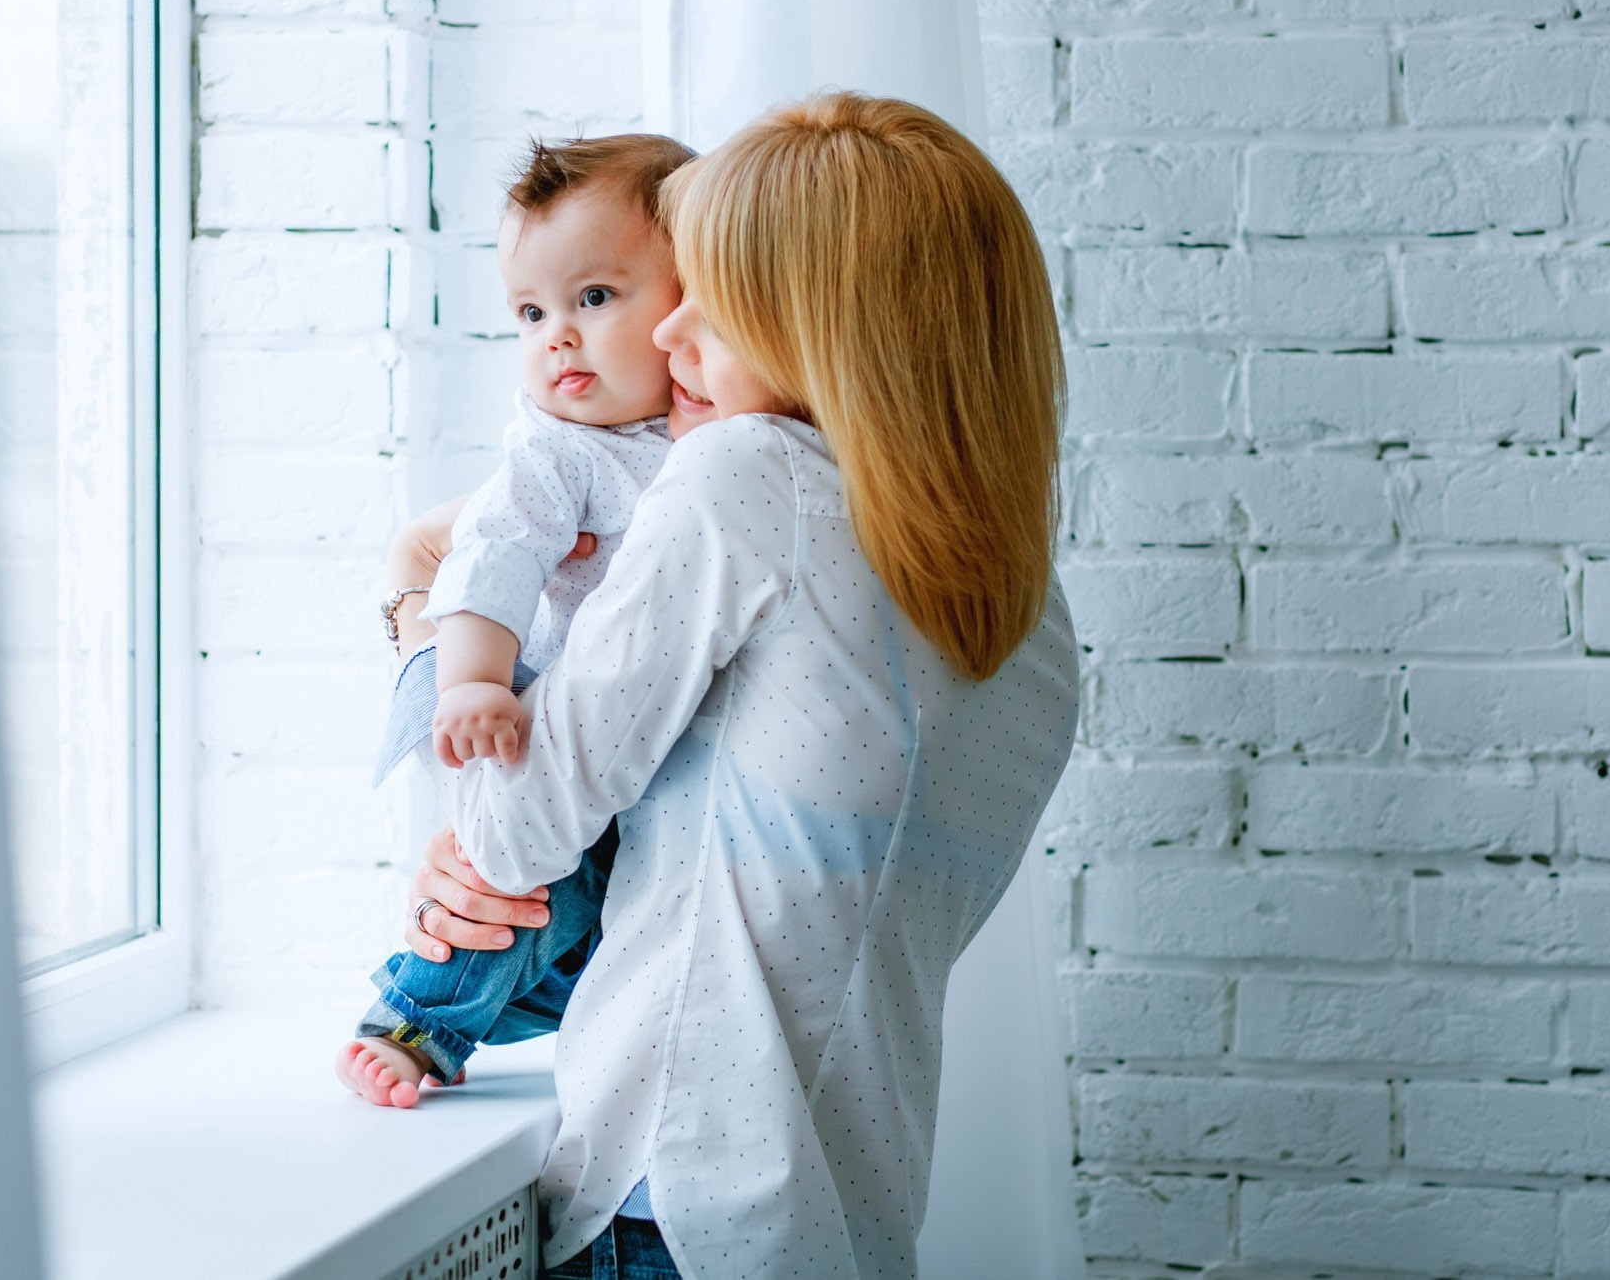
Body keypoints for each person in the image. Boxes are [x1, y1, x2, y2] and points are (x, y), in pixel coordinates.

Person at [400, 92, 1077, 1278]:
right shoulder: (1025, 616)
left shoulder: (742, 476)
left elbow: (510, 830)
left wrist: (417, 595)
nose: (667, 332)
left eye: (716, 295)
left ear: (827, 324)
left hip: (674, 1199)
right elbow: (730, 918)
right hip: (849, 1210)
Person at [336, 131, 742, 1109]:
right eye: (531, 312)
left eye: (593, 297)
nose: (556, 335)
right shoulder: (557, 451)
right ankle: (414, 1019)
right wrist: (474, 681)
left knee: (576, 913)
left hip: (641, 747)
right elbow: (493, 562)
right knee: (513, 888)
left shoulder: (706, 432)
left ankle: (511, 1003)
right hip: (530, 708)